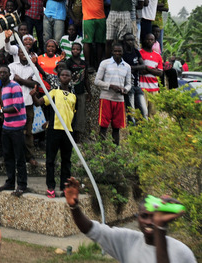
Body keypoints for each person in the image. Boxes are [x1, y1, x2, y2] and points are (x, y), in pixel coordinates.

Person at [64, 178, 196, 263]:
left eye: (154, 216)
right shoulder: (127, 241)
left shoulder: (181, 252)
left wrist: (160, 228)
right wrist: (74, 207)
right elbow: (91, 229)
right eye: (144, 216)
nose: (150, 221)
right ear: (137, 218)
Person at [30, 68, 76, 198]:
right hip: (54, 130)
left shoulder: (73, 96)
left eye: (67, 74)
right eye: (63, 75)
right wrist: (34, 95)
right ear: (59, 77)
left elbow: (73, 114)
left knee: (66, 160)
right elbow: (39, 102)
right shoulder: (54, 92)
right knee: (51, 159)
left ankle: (64, 187)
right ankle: (50, 187)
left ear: (70, 78)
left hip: (68, 131)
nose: (65, 76)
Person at [0, 65, 28, 197]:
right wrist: (3, 113)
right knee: (7, 156)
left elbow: (17, 107)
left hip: (17, 126)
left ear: (9, 74)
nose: (2, 74)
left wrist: (0, 111)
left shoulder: (15, 86)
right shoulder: (3, 88)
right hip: (7, 125)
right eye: (0, 72)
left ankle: (22, 184)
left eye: (5, 72)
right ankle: (10, 181)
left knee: (19, 156)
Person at [95, 43, 131, 145]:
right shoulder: (105, 63)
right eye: (115, 51)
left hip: (119, 100)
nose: (117, 53)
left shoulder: (127, 67)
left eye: (119, 51)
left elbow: (129, 84)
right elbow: (97, 81)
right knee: (103, 126)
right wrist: (110, 86)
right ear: (112, 52)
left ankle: (116, 151)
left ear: (122, 52)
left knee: (116, 128)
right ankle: (101, 150)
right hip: (106, 98)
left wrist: (125, 90)